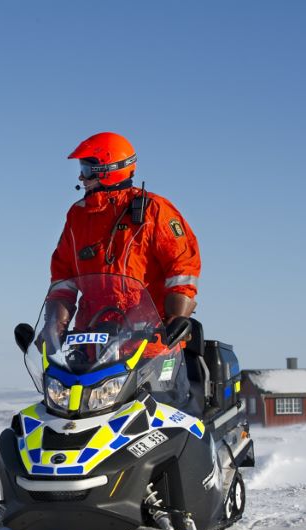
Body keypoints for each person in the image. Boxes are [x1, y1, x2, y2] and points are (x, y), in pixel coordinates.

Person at [47, 132, 201, 407]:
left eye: (86, 169)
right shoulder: (77, 216)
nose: (81, 178)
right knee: (75, 418)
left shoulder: (154, 210)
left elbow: (183, 268)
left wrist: (176, 319)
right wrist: (54, 326)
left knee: (168, 417)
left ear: (108, 170)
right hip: (92, 345)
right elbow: (63, 278)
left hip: (149, 344)